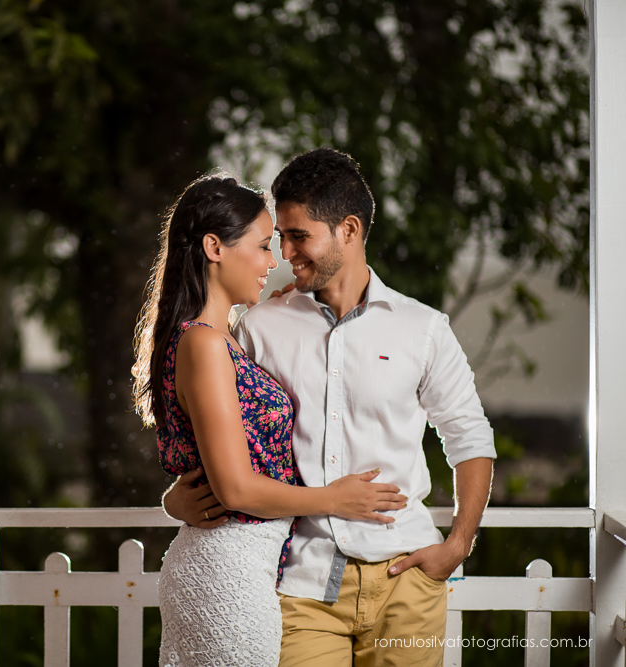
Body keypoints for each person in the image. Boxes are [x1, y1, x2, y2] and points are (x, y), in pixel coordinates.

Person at [163, 149, 496, 667]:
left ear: (348, 229)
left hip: (406, 578)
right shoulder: (258, 326)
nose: (286, 254)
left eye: (299, 237)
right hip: (303, 581)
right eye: (278, 239)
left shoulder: (423, 328)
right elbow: (212, 424)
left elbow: (469, 436)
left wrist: (458, 544)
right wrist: (175, 499)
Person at [132, 174, 408, 667]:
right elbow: (236, 489)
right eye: (262, 246)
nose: (273, 260)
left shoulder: (220, 339)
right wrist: (333, 498)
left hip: (243, 564)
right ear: (214, 247)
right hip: (225, 571)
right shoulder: (204, 344)